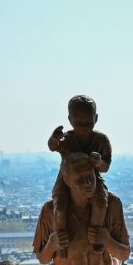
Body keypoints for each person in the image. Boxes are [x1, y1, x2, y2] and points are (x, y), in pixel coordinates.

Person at [48, 95, 112, 256]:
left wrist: (98, 163)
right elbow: (52, 147)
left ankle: (95, 233)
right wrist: (54, 138)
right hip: (67, 178)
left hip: (93, 179)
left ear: (95, 119)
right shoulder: (67, 139)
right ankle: (62, 241)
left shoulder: (101, 140)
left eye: (88, 123)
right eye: (79, 124)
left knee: (101, 202)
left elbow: (106, 166)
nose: (83, 128)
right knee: (60, 205)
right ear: (70, 120)